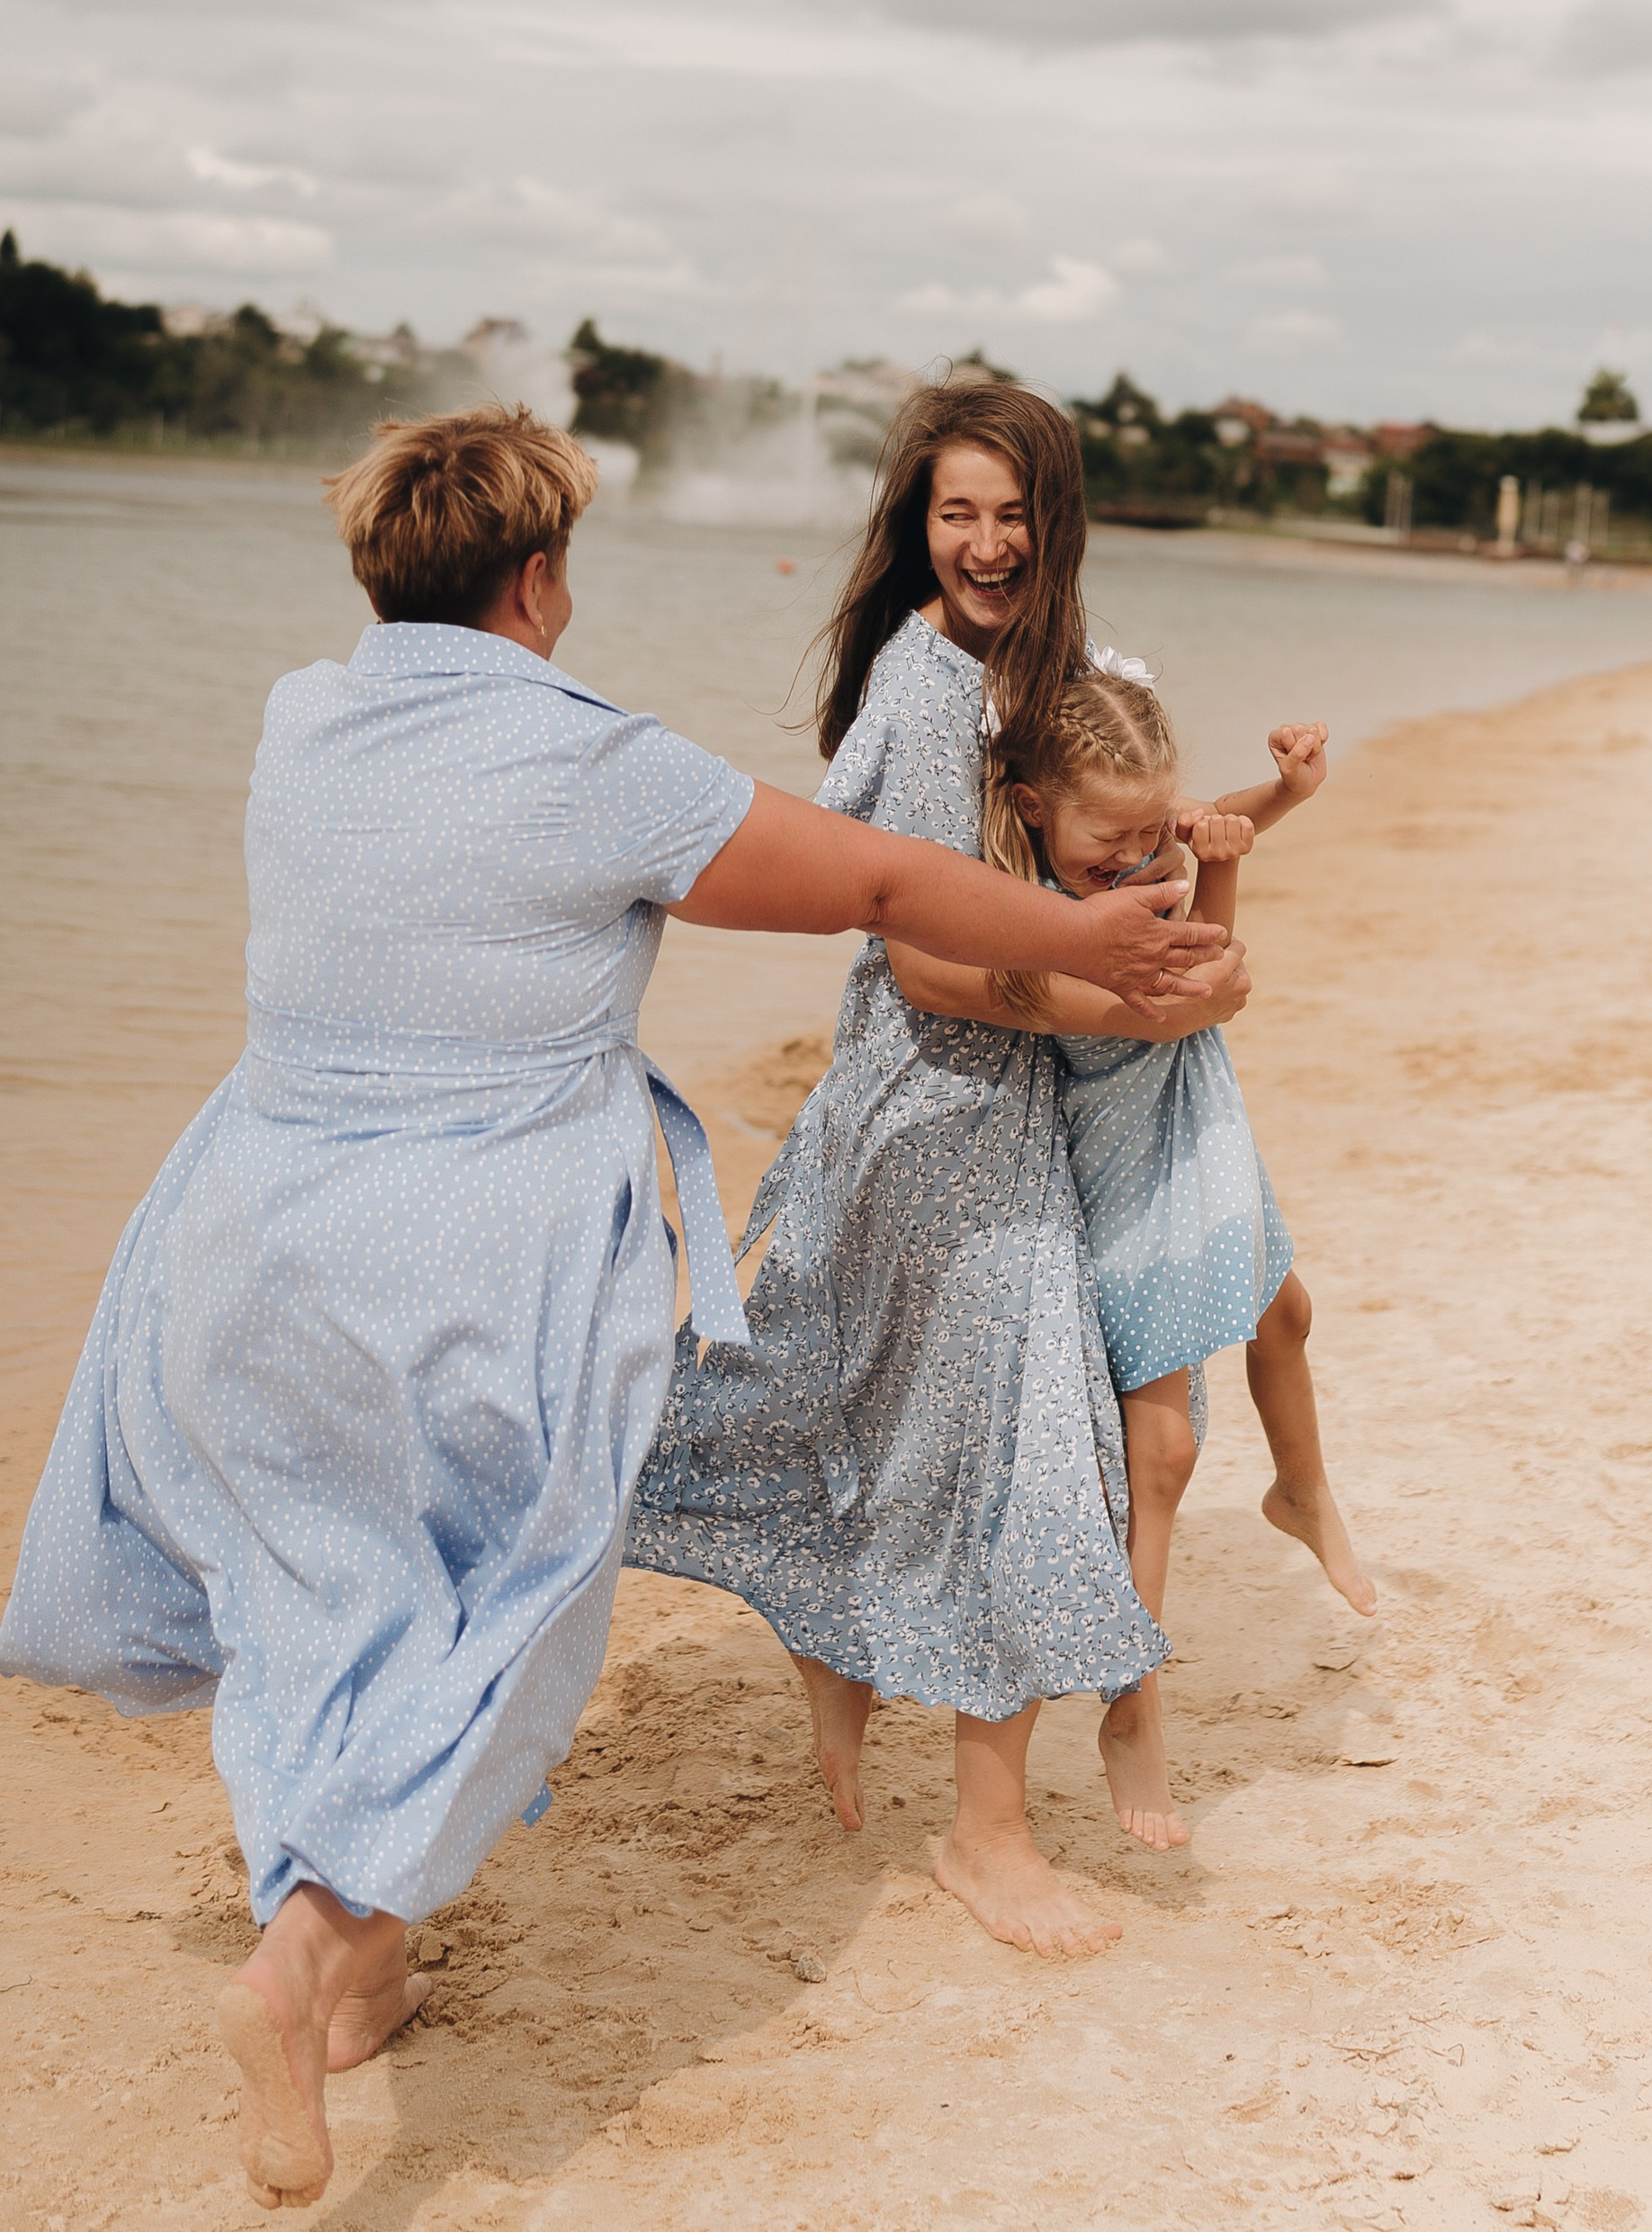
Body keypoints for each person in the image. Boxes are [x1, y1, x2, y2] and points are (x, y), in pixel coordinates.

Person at [0, 406, 1221, 2209]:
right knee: (501, 1614)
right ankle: (310, 1954)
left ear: (374, 569)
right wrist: (1094, 939)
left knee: (319, 1603)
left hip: (241, 1243)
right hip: (464, 1267)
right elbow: (874, 883)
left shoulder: (296, 717)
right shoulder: (598, 766)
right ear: (543, 576)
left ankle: (359, 1984)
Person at [625, 380, 1248, 1957]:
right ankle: (985, 1832)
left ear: (1056, 520)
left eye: (1010, 513)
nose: (981, 544)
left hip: (994, 1106)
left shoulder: (1036, 678)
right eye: (952, 514)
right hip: (938, 1112)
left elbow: (1098, 870)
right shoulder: (921, 688)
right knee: (1036, 1448)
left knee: (907, 1410)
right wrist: (1129, 998)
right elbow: (925, 962)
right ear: (919, 524)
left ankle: (841, 1649)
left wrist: (1187, 941)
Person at [888, 670, 1373, 1856]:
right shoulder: (1037, 905)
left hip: (1197, 1125)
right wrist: (1219, 865)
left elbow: (1205, 837)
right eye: (1114, 839)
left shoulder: (1127, 853)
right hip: (1130, 1170)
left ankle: (1301, 1490)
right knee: (1162, 1450)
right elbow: (1193, 978)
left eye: (1155, 834)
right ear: (1035, 808)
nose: (1137, 859)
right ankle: (1132, 1704)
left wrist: (1273, 798)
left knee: (1288, 1314)